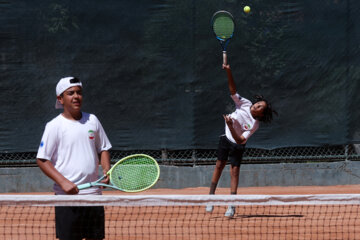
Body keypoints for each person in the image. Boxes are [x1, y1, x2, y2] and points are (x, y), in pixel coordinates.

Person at [36, 76, 112, 240]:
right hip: (66, 199)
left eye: (79, 92)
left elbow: (103, 148)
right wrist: (63, 182)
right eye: (70, 93)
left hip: (94, 196)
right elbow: (42, 160)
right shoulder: (54, 126)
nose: (76, 96)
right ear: (60, 99)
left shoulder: (93, 120)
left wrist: (106, 170)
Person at [206, 63, 277, 217]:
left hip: (237, 145)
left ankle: (232, 205)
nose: (256, 106)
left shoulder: (254, 125)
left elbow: (239, 140)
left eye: (259, 107)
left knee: (235, 172)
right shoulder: (245, 104)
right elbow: (233, 90)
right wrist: (229, 71)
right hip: (226, 138)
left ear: (260, 114)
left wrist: (231, 125)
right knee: (219, 166)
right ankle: (210, 198)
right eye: (257, 104)